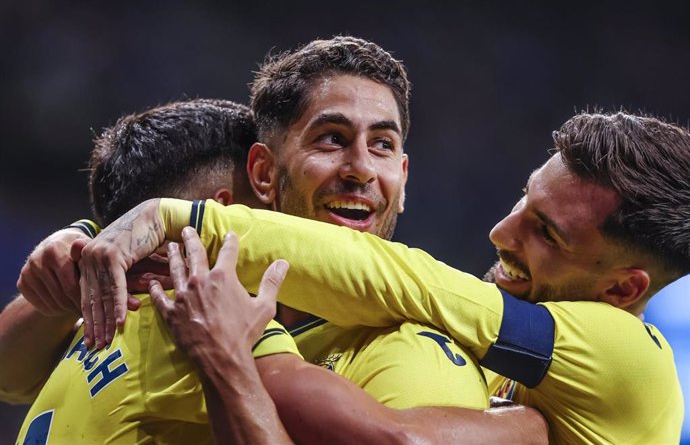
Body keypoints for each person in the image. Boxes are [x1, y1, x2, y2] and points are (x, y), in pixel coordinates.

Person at [9, 43, 547, 441]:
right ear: (263, 177)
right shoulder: (183, 303)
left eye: (382, 145)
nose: (360, 169)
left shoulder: (409, 348)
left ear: (403, 178)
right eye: (331, 140)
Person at [80, 111, 685, 443]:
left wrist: (182, 220)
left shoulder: (630, 360)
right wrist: (78, 240)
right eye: (522, 202)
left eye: (546, 233)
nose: (502, 232)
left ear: (623, 290)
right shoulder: (525, 399)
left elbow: (413, 282)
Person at [12, 99, 301, 443]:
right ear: (219, 211)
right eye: (265, 198)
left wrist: (84, 239)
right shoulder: (219, 327)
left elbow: (9, 373)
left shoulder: (97, 325)